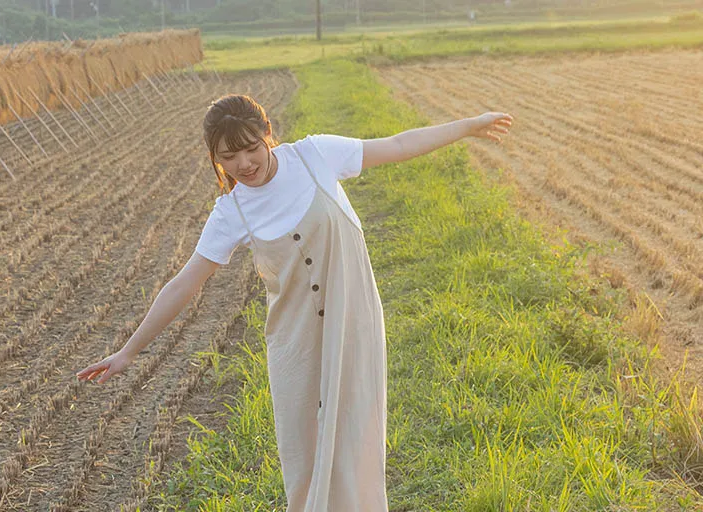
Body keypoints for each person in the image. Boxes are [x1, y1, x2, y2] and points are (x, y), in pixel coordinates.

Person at [77, 94, 513, 510]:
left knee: (357, 440)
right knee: (302, 455)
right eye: (228, 157)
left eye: (250, 148)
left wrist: (469, 127)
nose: (242, 164)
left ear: (269, 132)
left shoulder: (315, 156)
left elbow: (398, 144)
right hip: (293, 344)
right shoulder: (231, 213)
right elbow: (183, 284)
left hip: (353, 322)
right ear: (215, 157)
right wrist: (128, 351)